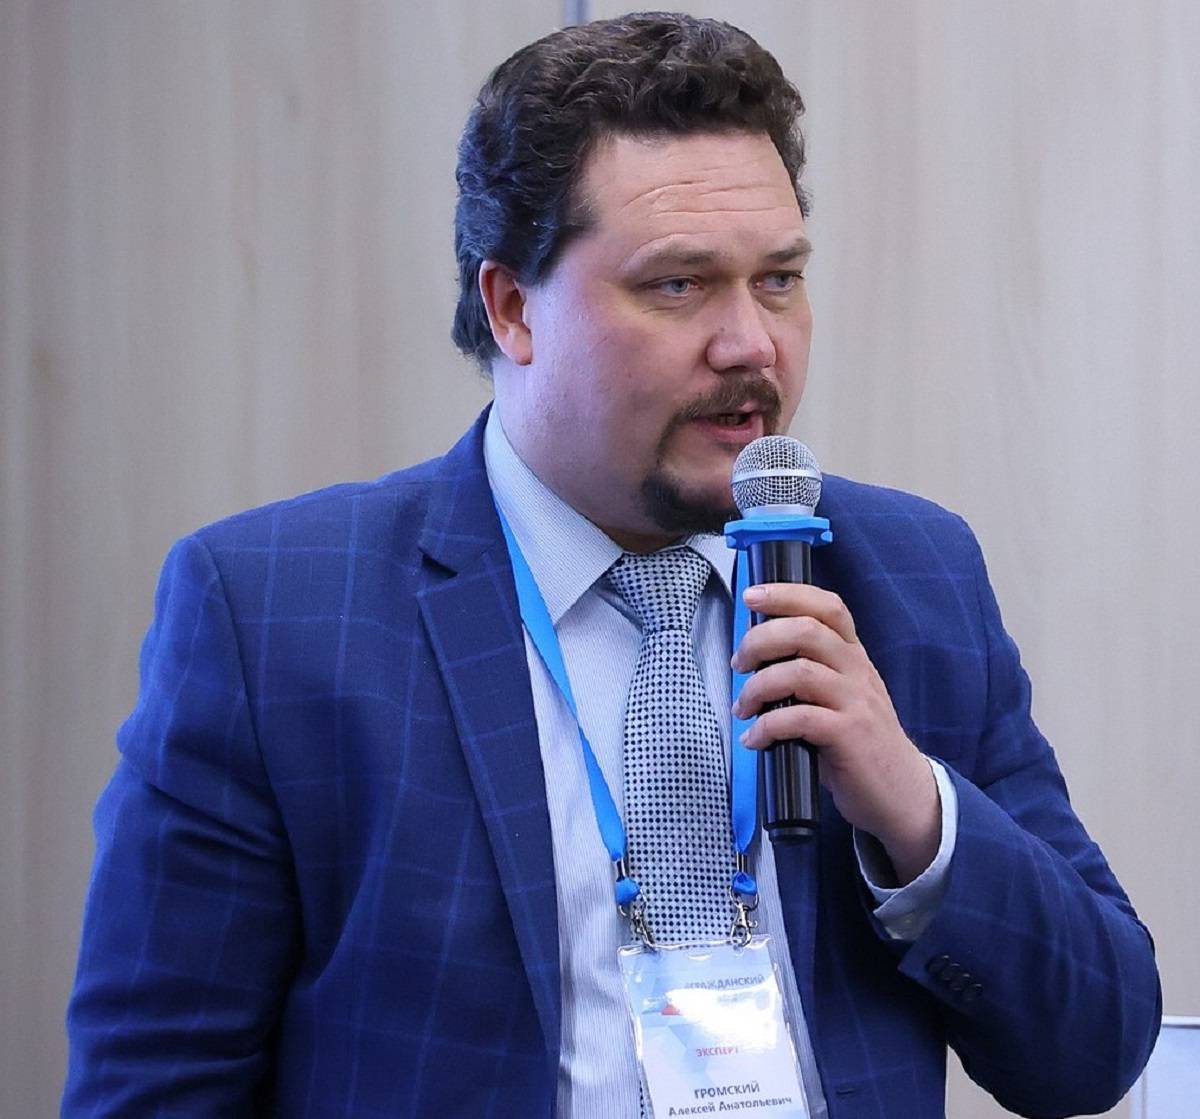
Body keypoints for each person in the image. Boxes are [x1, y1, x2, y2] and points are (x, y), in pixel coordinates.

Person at [63, 12, 1160, 1118]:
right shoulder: (277, 615)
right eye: (679, 285)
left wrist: (913, 809)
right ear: (512, 308)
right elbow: (155, 1087)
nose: (752, 343)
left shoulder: (909, 576)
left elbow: (1094, 1049)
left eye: (779, 280)